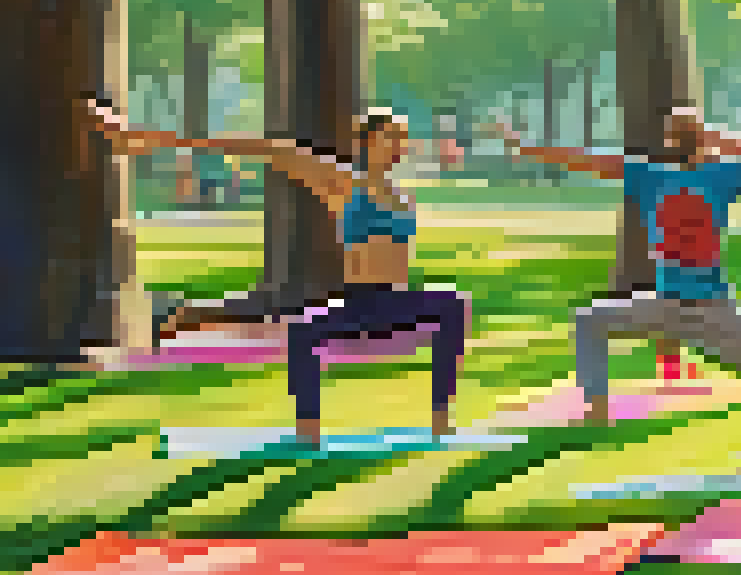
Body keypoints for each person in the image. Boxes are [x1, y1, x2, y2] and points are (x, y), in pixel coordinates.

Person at [82, 99, 469, 446]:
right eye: (391, 138)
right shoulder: (341, 182)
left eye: (402, 139)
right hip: (358, 303)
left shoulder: (403, 195)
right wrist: (141, 139)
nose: (399, 146)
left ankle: (440, 420)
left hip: (397, 303)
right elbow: (260, 148)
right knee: (302, 328)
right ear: (368, 143)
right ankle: (307, 429)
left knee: (453, 304)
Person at [488, 107, 741, 424]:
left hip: (691, 309)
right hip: (692, 307)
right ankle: (599, 412)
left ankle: (597, 413)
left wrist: (520, 145)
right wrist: (723, 142)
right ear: (703, 140)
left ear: (669, 141)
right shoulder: (718, 174)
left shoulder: (656, 175)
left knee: (589, 321)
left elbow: (579, 158)